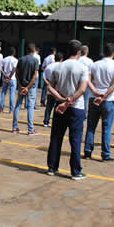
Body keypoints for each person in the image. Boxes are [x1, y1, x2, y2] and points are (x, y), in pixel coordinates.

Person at [46, 40, 88, 180]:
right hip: (76, 107)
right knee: (75, 140)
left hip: (60, 105)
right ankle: (75, 171)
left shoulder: (58, 67)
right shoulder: (82, 68)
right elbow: (82, 89)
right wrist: (70, 100)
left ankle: (52, 167)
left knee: (56, 137)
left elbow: (50, 87)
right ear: (79, 52)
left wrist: (61, 99)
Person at [83, 42, 114, 161]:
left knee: (91, 127)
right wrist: (104, 96)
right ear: (113, 53)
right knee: (107, 128)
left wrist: (95, 92)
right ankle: (105, 154)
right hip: (108, 100)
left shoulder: (94, 65)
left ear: (103, 52)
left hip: (94, 98)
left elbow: (88, 80)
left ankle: (88, 151)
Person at [12, 43, 39, 135]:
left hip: (22, 86)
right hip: (30, 87)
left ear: (26, 50)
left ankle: (14, 127)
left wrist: (20, 85)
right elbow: (34, 76)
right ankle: (30, 129)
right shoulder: (35, 60)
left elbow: (16, 73)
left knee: (18, 105)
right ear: (34, 50)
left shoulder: (21, 59)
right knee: (30, 107)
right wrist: (28, 87)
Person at [42, 52, 64, 127]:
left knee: (49, 107)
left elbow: (44, 78)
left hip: (50, 90)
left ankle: (46, 122)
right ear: (61, 59)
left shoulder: (49, 66)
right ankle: (56, 122)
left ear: (54, 58)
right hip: (59, 91)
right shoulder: (62, 66)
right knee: (58, 107)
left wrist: (49, 85)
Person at [0, 47, 18, 113]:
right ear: (14, 53)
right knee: (12, 94)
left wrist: (5, 75)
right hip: (12, 78)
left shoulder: (4, 59)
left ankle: (1, 108)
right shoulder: (15, 60)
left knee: (3, 93)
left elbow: (1, 68)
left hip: (5, 77)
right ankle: (11, 110)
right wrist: (9, 77)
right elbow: (14, 69)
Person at [78, 45, 94, 113]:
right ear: (87, 52)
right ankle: (84, 115)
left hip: (77, 82)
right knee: (86, 100)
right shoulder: (90, 61)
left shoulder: (77, 59)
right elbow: (91, 74)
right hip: (86, 82)